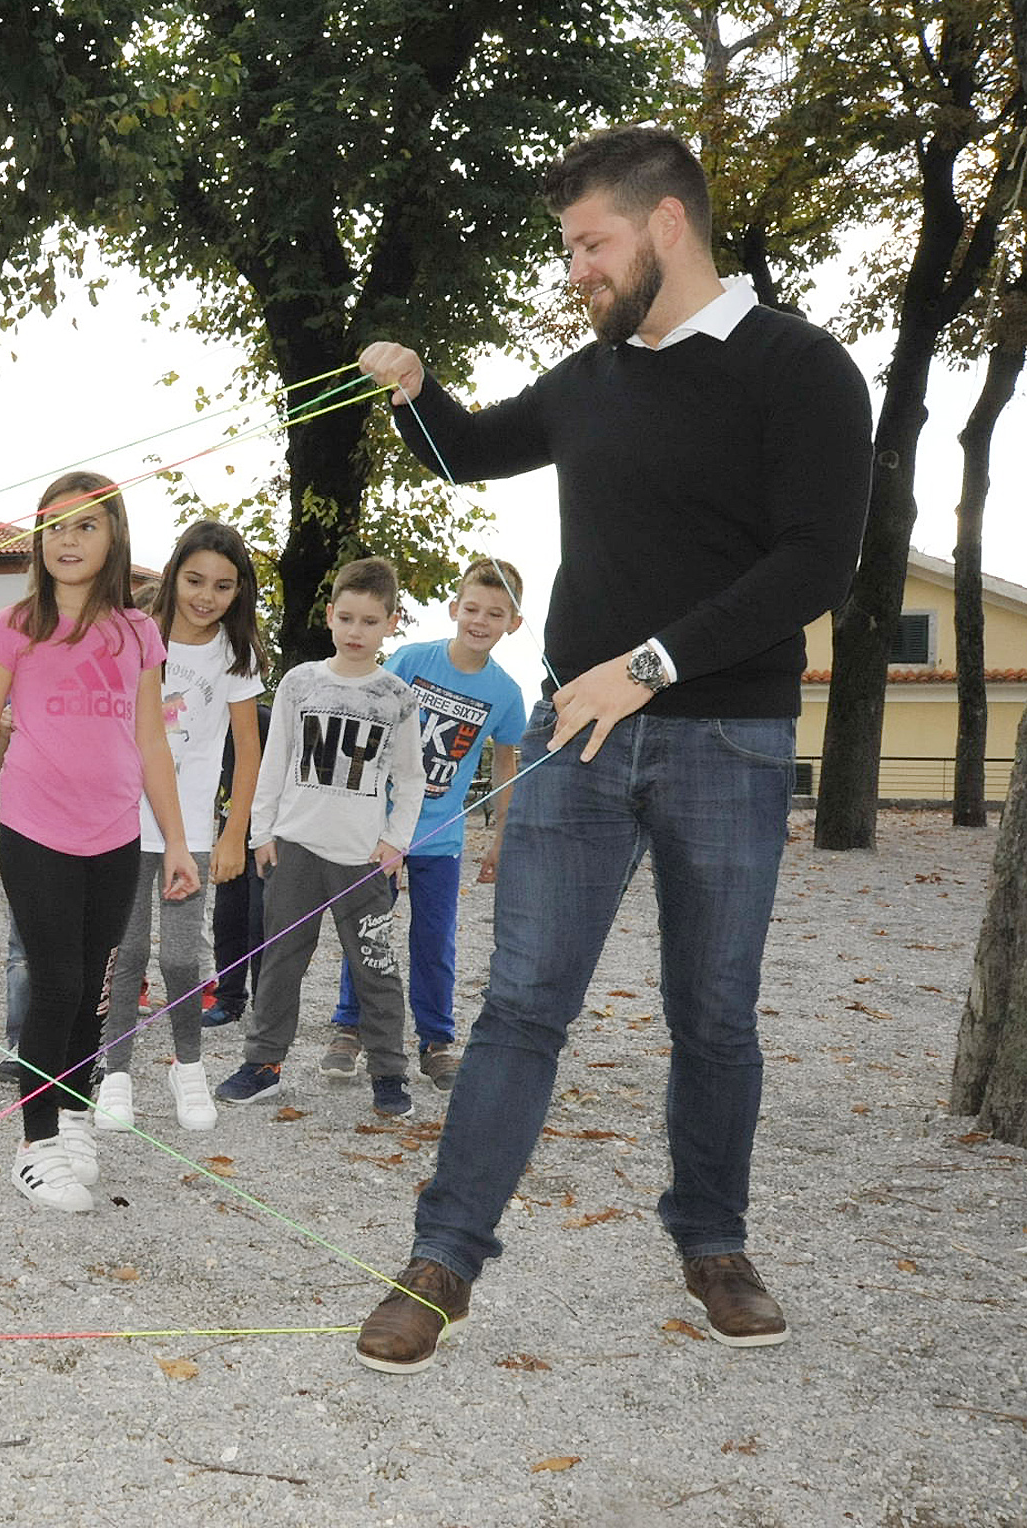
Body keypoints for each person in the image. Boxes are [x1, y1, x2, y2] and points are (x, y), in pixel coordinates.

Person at [351, 124, 871, 1373]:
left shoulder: (799, 367)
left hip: (728, 739)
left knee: (715, 1015)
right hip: (579, 747)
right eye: (567, 247)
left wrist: (648, 666)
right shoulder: (589, 379)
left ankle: (712, 1241)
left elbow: (815, 560)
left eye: (590, 242)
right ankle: (443, 1258)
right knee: (521, 1006)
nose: (575, 268)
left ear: (667, 225)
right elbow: (471, 452)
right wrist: (415, 390)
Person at [0, 473, 198, 1213]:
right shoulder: (12, 625)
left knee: (93, 989)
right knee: (54, 983)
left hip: (114, 836)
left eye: (85, 527)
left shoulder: (139, 631)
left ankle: (73, 1117)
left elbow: (149, 739)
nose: (67, 541)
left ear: (114, 536)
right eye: (54, 527)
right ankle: (33, 1142)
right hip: (33, 830)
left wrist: (175, 840)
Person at [214, 557, 425, 1116]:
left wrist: (395, 842)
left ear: (391, 623)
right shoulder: (299, 683)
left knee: (376, 967)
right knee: (281, 960)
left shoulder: (397, 697)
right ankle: (263, 1064)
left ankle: (388, 1071)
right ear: (330, 616)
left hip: (362, 858)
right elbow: (273, 760)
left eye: (371, 621)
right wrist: (263, 832)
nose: (357, 632)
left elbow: (410, 779)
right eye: (348, 618)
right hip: (296, 848)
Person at [327, 557, 526, 1093]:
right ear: (453, 608)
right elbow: (368, 722)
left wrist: (501, 838)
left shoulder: (506, 692)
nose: (480, 621)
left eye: (495, 613)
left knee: (434, 939)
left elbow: (505, 763)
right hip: (383, 826)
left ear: (514, 623)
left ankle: (436, 1040)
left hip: (441, 837)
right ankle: (350, 1027)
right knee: (368, 928)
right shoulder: (412, 659)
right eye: (472, 608)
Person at [98, 521, 265, 1133]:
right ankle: (114, 1073)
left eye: (223, 586)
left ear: (238, 592)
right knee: (128, 950)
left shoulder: (235, 654)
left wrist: (233, 831)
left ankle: (187, 1067)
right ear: (173, 576)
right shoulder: (136, 636)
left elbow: (248, 752)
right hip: (119, 823)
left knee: (181, 958)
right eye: (195, 580)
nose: (206, 596)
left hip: (189, 833)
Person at [201, 699, 271, 1027]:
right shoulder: (205, 717)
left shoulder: (262, 720)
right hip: (229, 835)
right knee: (227, 920)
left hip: (266, 838)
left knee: (261, 924)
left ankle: (265, 1004)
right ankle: (229, 998)